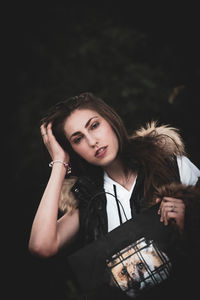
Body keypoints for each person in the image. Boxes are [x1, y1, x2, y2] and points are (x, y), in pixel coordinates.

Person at [29, 92, 200, 299]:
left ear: (110, 120)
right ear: (73, 149)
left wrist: (190, 218)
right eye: (78, 138)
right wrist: (59, 162)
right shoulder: (88, 201)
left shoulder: (171, 165)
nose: (92, 141)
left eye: (94, 125)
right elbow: (41, 245)